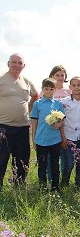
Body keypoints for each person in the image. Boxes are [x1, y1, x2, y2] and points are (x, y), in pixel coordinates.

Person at [0, 53, 38, 189]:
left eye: (19, 63)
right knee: (1, 159)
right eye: (14, 62)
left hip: (22, 127)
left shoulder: (27, 81)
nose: (16, 65)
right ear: (8, 64)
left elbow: (36, 95)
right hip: (3, 126)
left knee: (22, 160)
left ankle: (19, 188)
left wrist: (29, 107)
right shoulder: (1, 79)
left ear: (24, 65)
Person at [31, 78, 64, 191]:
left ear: (55, 90)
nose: (49, 91)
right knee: (42, 165)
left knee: (55, 164)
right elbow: (34, 122)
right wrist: (33, 139)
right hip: (41, 140)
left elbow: (62, 120)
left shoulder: (58, 104)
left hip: (55, 139)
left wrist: (59, 124)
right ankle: (42, 187)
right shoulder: (37, 104)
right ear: (42, 89)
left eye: (51, 89)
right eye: (46, 89)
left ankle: (55, 187)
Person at [41, 65, 71, 183]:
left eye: (62, 75)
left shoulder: (69, 92)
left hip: (66, 130)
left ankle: (64, 182)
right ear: (52, 76)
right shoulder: (46, 91)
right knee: (51, 160)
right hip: (50, 131)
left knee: (66, 160)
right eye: (57, 75)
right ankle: (52, 182)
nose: (60, 77)